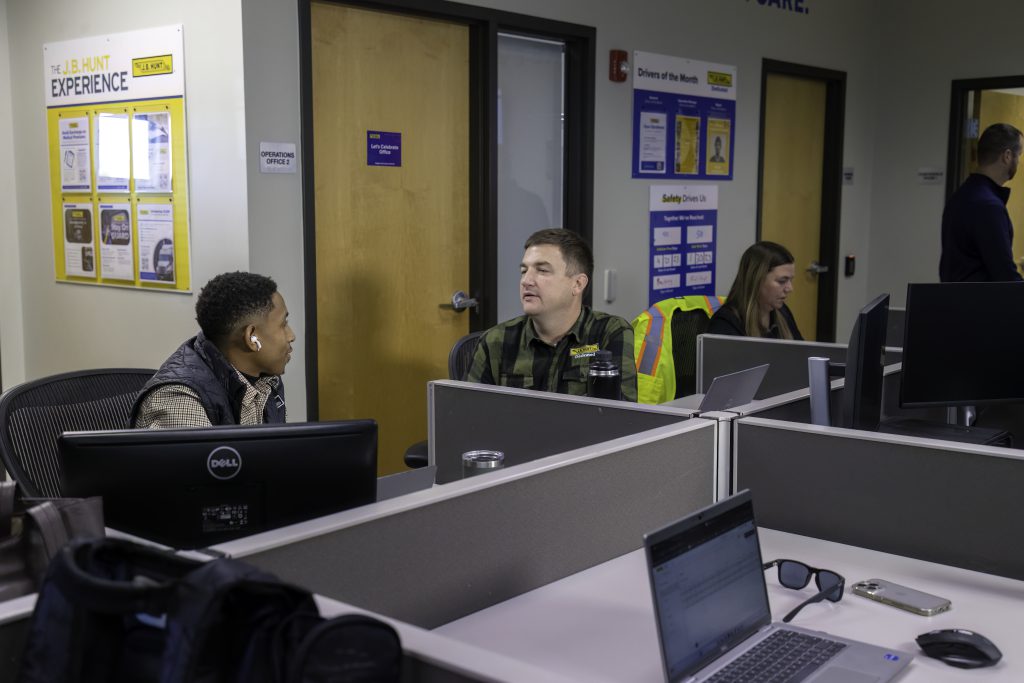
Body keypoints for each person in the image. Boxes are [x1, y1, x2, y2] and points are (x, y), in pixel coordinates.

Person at [467, 228, 638, 401]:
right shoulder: (495, 341)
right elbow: (471, 416)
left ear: (578, 284)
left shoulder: (609, 333)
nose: (526, 281)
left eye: (542, 270)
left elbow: (623, 416)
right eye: (524, 271)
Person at [130, 271, 295, 428]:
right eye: (283, 324)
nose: (291, 336)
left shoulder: (266, 379)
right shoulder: (179, 400)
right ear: (252, 337)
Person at [939, 122, 1024, 282]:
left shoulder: (960, 197)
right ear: (1007, 156)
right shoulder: (989, 206)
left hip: (956, 303)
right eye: (1019, 155)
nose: (1019, 162)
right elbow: (1005, 276)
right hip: (980, 304)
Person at [708, 241, 803, 339]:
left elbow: (802, 352)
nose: (790, 288)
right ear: (756, 280)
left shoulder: (782, 312)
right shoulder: (726, 323)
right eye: (782, 281)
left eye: (791, 280)